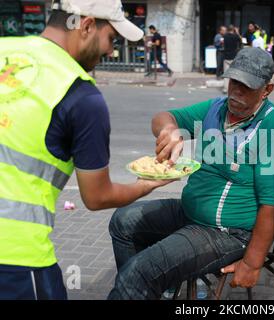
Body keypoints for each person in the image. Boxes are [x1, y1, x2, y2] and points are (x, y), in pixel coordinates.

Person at [0, 0, 174, 300]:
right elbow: (97, 196)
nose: (110, 51)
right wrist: (148, 184)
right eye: (112, 39)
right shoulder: (80, 94)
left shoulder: (5, 48)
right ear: (87, 25)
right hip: (16, 261)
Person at [107, 47, 274, 300]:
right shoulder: (216, 108)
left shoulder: (272, 126)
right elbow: (164, 116)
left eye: (247, 86)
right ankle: (149, 289)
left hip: (226, 232)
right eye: (234, 81)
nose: (236, 91)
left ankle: (140, 285)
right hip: (190, 212)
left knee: (137, 273)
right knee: (123, 221)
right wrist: (170, 130)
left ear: (267, 90)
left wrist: (253, 263)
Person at [222, 24, 242, 93]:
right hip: (234, 57)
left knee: (226, 74)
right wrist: (237, 32)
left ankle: (225, 89)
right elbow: (241, 41)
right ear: (233, 29)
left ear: (228, 29)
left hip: (226, 57)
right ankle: (234, 89)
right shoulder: (235, 36)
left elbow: (223, 44)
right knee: (234, 74)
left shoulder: (225, 36)